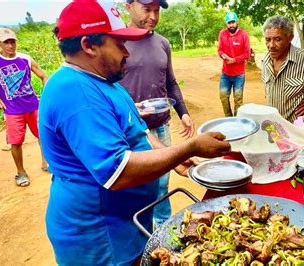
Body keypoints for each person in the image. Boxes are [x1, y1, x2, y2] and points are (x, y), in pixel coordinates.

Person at [40, 1, 230, 265]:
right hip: (99, 237)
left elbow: (138, 131)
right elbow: (118, 172)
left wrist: (169, 155)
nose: (127, 52)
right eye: (118, 43)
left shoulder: (105, 82)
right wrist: (189, 148)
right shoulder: (75, 91)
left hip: (125, 223)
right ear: (88, 45)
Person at [121, 0, 194, 228]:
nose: (153, 16)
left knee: (162, 181)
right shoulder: (116, 42)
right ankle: (139, 228)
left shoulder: (162, 43)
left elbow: (170, 82)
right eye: (147, 9)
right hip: (129, 130)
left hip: (161, 125)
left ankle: (162, 226)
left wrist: (183, 112)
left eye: (157, 10)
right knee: (136, 185)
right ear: (129, 6)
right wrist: (130, 108)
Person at [0, 27, 48, 187]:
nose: (11, 45)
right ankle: (20, 172)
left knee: (43, 135)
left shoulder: (25, 58)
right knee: (16, 142)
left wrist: (47, 95)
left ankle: (46, 163)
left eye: (13, 41)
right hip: (12, 110)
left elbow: (43, 76)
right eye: (6, 42)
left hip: (33, 106)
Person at [217, 11, 251, 117]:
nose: (231, 25)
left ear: (237, 22)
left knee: (238, 98)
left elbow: (247, 53)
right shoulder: (222, 34)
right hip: (225, 73)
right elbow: (220, 50)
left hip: (239, 74)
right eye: (229, 23)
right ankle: (228, 117)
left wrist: (234, 60)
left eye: (233, 22)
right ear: (226, 24)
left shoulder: (244, 35)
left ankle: (237, 120)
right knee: (223, 95)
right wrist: (223, 56)